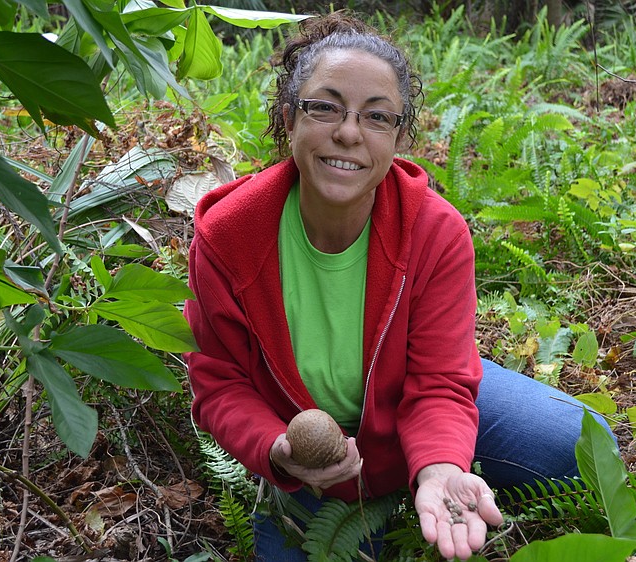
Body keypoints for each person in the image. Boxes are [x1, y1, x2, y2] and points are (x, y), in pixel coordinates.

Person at [184, 11, 612, 561]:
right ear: (289, 118)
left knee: (583, 449)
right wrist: (277, 450)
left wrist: (438, 468)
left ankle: (437, 462)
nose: (348, 132)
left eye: (376, 117)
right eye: (324, 107)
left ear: (399, 136)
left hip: (413, 392)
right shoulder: (229, 236)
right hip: (315, 457)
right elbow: (219, 384)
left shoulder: (432, 231)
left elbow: (435, 379)